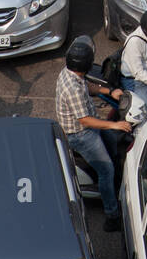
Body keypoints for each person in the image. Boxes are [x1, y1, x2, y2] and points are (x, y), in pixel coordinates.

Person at [56, 36, 131, 231]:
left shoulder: (71, 73)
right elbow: (85, 121)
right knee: (106, 170)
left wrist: (108, 91)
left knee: (113, 147)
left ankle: (114, 183)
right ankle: (112, 215)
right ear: (87, 64)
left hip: (90, 125)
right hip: (81, 134)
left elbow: (87, 86)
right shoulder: (72, 88)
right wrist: (115, 125)